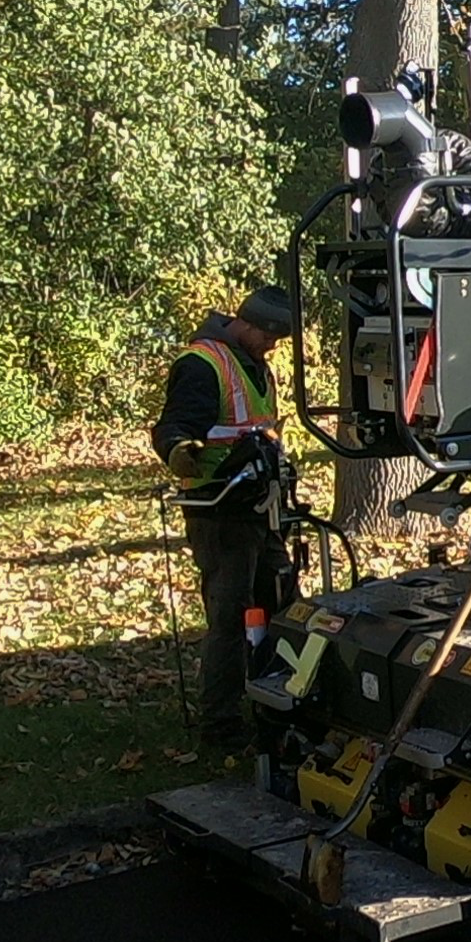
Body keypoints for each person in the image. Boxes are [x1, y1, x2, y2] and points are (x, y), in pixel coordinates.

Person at [151, 285, 300, 754]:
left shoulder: (256, 366)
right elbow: (174, 426)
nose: (273, 346)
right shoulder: (202, 364)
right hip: (219, 510)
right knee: (230, 617)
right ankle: (221, 724)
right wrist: (179, 450)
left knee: (283, 602)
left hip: (262, 506)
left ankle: (280, 702)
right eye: (269, 336)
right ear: (248, 325)